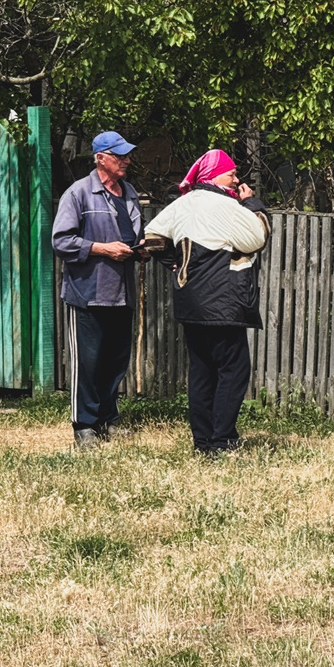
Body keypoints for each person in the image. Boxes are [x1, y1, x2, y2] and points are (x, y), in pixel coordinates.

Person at [143, 149, 270, 455]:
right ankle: (222, 439)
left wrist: (176, 262)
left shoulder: (183, 203)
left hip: (190, 300)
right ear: (215, 176)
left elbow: (151, 238)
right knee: (234, 369)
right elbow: (258, 237)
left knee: (202, 371)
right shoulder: (225, 204)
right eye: (231, 173)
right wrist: (252, 203)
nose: (236, 178)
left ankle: (203, 441)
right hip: (223, 302)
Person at [52, 131, 143, 448]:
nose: (126, 161)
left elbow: (132, 237)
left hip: (123, 292)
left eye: (127, 155)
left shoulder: (129, 193)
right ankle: (84, 426)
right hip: (89, 292)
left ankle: (107, 418)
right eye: (120, 156)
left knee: (115, 361)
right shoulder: (78, 194)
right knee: (88, 362)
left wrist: (143, 249)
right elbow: (61, 241)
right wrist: (103, 250)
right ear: (100, 158)